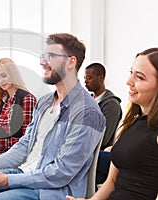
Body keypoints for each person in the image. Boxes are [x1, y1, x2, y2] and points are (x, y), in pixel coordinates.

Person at [0, 33, 106, 200]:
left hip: (51, 190)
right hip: (25, 172)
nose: (42, 62)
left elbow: (61, 173)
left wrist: (7, 180)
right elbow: (25, 144)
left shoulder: (87, 113)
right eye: (43, 56)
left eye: (51, 56)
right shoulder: (45, 102)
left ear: (71, 62)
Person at [66, 48, 158, 200]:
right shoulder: (130, 123)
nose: (129, 82)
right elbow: (112, 181)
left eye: (140, 77)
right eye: (131, 72)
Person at [84, 63, 122, 186]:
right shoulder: (87, 102)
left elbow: (104, 138)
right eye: (84, 77)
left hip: (97, 154)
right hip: (85, 151)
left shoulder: (111, 105)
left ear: (101, 78)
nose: (85, 81)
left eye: (89, 77)